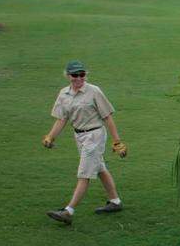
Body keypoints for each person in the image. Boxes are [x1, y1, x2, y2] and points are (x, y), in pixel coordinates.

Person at [42, 60, 128, 224]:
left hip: (95, 135)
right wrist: (50, 136)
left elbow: (107, 116)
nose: (79, 78)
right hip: (79, 136)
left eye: (82, 74)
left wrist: (117, 141)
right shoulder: (64, 94)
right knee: (100, 167)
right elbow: (62, 118)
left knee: (84, 173)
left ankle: (69, 211)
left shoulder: (94, 91)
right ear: (68, 76)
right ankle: (115, 201)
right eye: (75, 75)